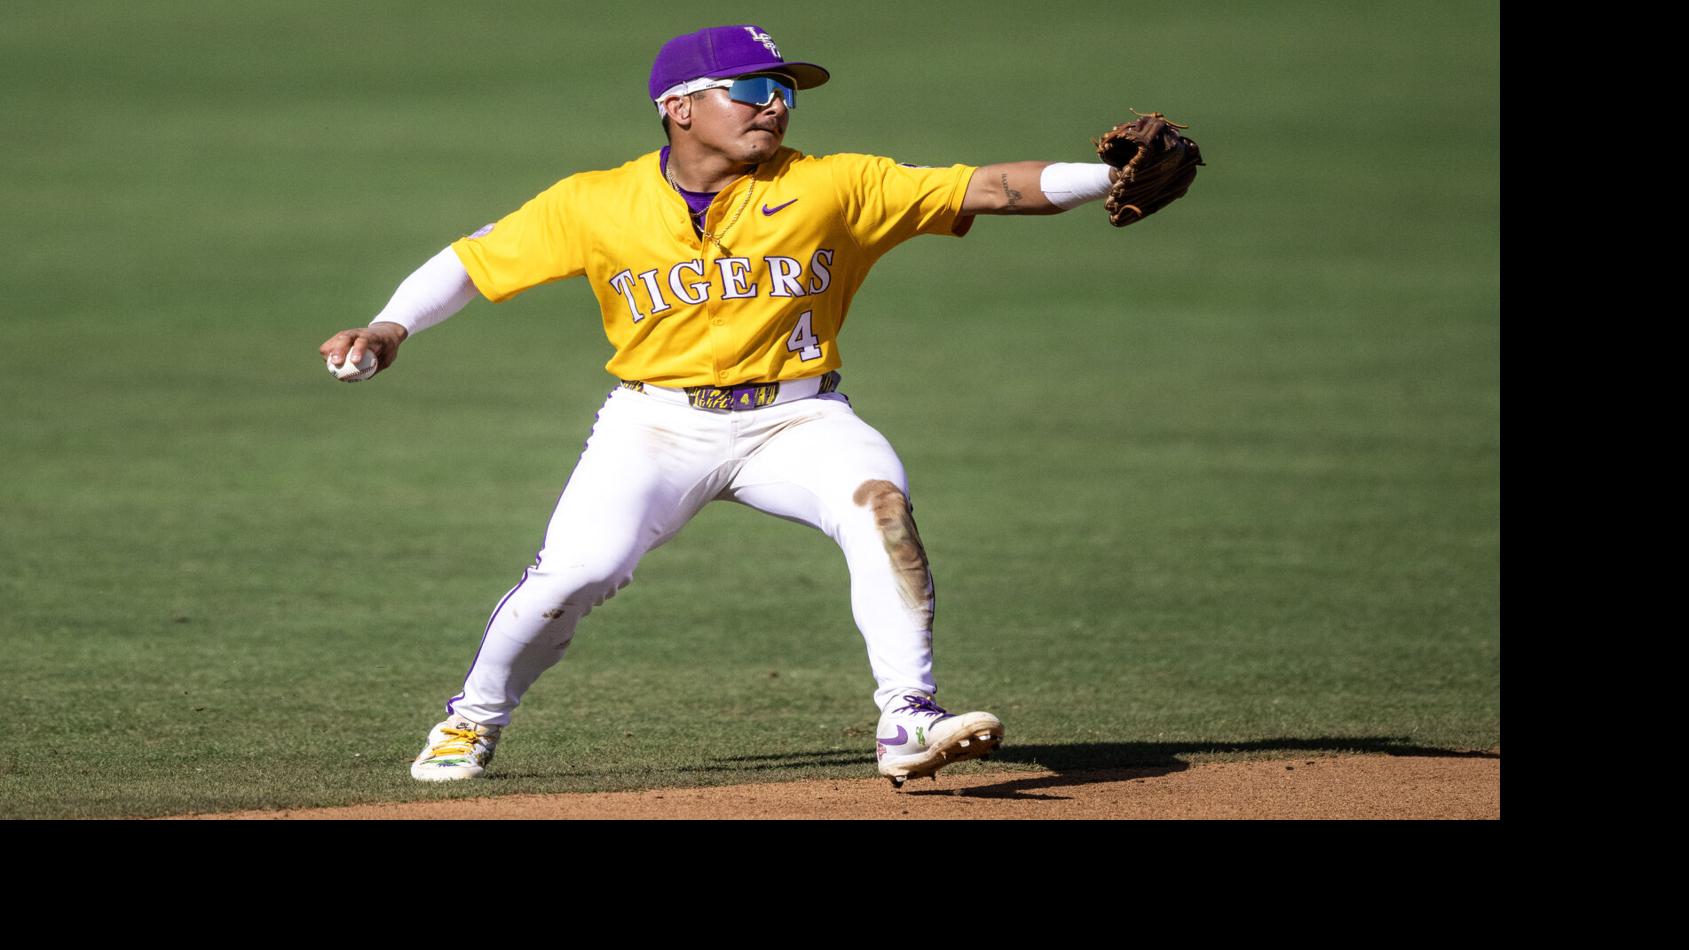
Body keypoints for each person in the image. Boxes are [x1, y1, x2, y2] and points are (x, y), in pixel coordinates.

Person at [320, 24, 1123, 788]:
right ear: (679, 106)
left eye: (784, 90)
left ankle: (906, 718)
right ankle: (472, 718)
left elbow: (988, 186)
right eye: (752, 88)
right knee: (576, 573)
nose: (774, 102)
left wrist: (1109, 181)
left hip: (799, 419)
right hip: (655, 423)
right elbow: (471, 261)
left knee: (879, 509)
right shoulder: (595, 202)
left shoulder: (831, 185)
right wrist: (392, 326)